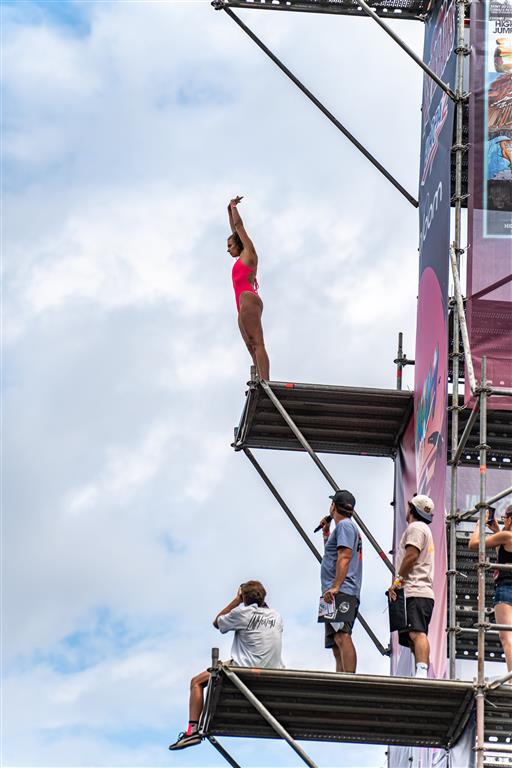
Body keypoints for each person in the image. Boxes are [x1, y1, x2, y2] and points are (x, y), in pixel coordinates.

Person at [169, 580, 284, 751]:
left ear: (244, 597)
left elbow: (217, 622)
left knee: (196, 682)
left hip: (242, 670)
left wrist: (236, 601)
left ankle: (191, 731)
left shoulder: (243, 612)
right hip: (273, 673)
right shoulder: (276, 616)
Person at [387, 494, 435, 678]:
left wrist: (397, 581)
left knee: (417, 633)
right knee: (414, 635)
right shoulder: (424, 529)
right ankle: (420, 671)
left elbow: (411, 556)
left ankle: (422, 671)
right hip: (420, 591)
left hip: (415, 589)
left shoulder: (415, 528)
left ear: (411, 508)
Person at [318, 489, 362, 673]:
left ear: (334, 506)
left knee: (343, 635)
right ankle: (340, 677)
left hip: (341, 590)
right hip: (333, 591)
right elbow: (334, 553)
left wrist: (336, 586)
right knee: (336, 641)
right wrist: (327, 532)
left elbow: (344, 556)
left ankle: (349, 680)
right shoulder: (344, 528)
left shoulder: (345, 526)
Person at [227, 196, 270, 381]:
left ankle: (267, 382)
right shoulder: (240, 257)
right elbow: (233, 229)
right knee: (250, 346)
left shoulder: (249, 254)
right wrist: (228, 209)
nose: (228, 250)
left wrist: (235, 207)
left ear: (239, 244)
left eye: (230, 245)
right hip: (241, 306)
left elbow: (238, 227)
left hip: (248, 299)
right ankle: (260, 381)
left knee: (258, 343)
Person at [468, 504, 512, 678]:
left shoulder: (506, 535)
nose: (502, 520)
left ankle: (511, 676)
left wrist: (479, 525)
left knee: (507, 637)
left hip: (506, 589)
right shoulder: (504, 536)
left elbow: (473, 544)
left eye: (504, 517)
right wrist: (495, 530)